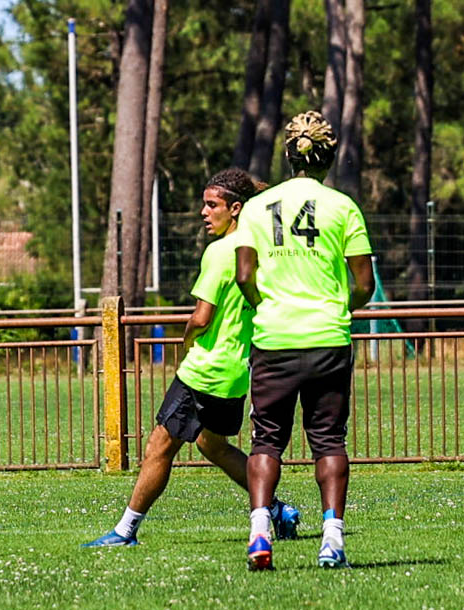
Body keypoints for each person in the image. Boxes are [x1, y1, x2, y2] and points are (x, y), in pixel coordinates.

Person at [84, 168, 299, 548]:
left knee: (159, 446)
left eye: (212, 205)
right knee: (211, 444)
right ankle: (277, 510)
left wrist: (186, 341)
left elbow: (202, 317)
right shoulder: (261, 249)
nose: (204, 212)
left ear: (235, 209)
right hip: (237, 371)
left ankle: (125, 531)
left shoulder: (220, 252)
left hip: (206, 368)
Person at [235, 111, 375, 570]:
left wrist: (266, 307)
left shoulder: (257, 207)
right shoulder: (343, 207)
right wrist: (340, 308)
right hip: (327, 337)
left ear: (288, 154)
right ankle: (332, 539)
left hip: (273, 337)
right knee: (329, 441)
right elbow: (365, 283)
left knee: (266, 441)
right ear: (330, 156)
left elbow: (244, 275)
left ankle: (260, 532)